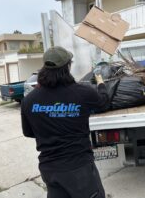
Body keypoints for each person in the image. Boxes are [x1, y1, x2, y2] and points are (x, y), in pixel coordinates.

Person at [21, 46, 109, 198]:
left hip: (49, 169)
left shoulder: (29, 100)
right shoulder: (82, 93)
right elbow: (104, 103)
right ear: (67, 66)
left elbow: (28, 132)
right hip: (79, 167)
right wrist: (101, 84)